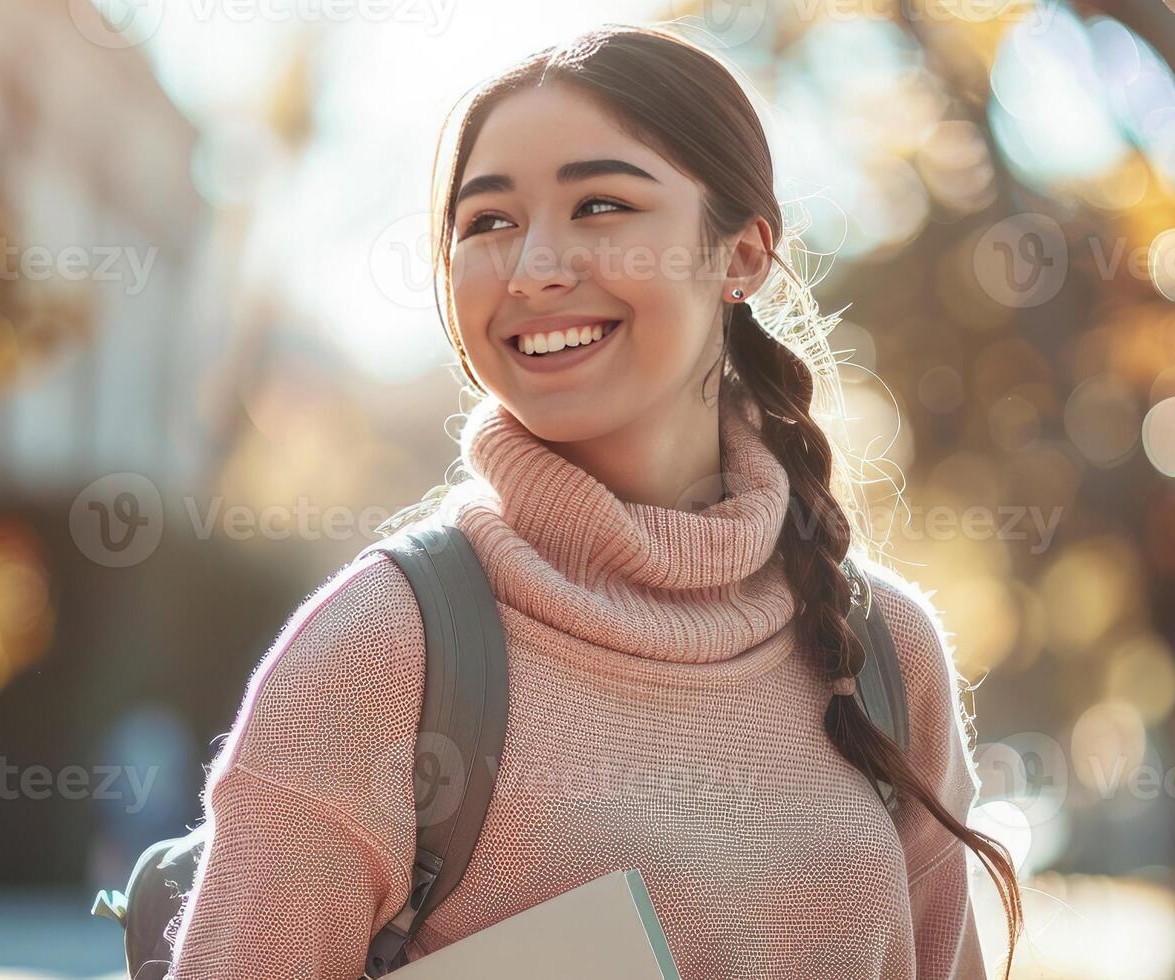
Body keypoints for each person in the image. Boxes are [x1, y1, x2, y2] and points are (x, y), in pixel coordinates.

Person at [168, 24, 1020, 979]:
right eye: (488, 222)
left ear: (742, 258)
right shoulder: (378, 651)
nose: (533, 267)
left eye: (601, 204)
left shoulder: (886, 657)